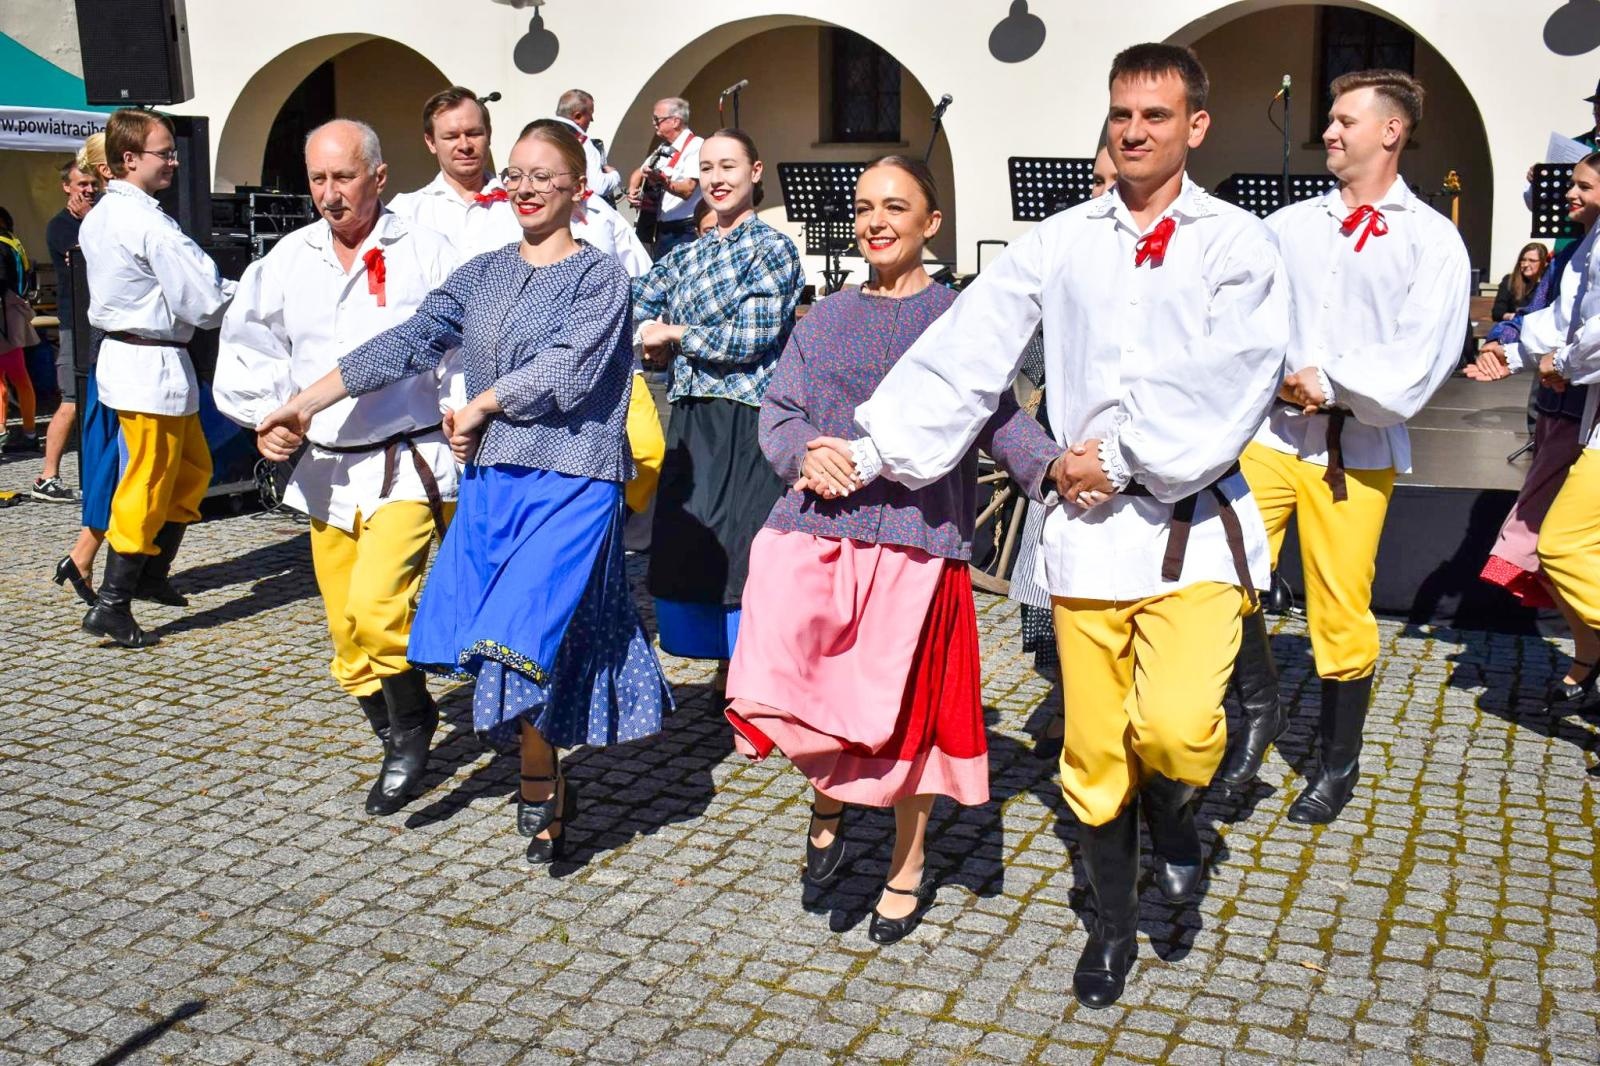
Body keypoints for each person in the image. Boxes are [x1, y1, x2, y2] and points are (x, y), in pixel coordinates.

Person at [852, 44, 1287, 1006]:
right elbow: (967, 349)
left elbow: (1234, 380)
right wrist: (876, 444)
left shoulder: (1237, 244)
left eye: (1156, 116)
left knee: (1179, 731)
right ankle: (1113, 928)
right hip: (1088, 541)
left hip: (1190, 533)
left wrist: (1118, 456)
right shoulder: (1058, 240)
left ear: (1196, 126)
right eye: (1122, 114)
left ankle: (1175, 814)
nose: (1134, 132)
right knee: (1092, 754)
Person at [257, 121, 672, 864]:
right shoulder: (482, 273)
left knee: (521, 630)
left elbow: (568, 369)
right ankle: (543, 765)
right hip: (496, 482)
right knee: (511, 642)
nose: (527, 188)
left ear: (578, 187)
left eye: (544, 175)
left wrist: (482, 403)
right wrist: (304, 403)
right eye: (516, 175)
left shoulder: (601, 276)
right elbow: (407, 341)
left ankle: (538, 773)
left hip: (575, 479)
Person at [727, 156, 1061, 943]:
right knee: (805, 691)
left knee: (912, 721)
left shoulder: (959, 319)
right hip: (818, 533)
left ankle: (906, 867)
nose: (876, 222)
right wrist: (804, 451)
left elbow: (998, 420)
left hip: (917, 542)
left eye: (895, 207)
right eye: (864, 207)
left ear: (930, 223)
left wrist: (1053, 469)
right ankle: (827, 805)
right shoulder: (824, 318)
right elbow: (779, 411)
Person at [1221, 70, 1470, 826]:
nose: (1328, 131)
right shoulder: (1289, 226)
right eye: (1330, 119)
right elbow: (1242, 313)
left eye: (1344, 121)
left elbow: (1420, 357)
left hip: (1352, 452)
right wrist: (1270, 374)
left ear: (1391, 131)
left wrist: (1327, 382)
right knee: (1223, 577)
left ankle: (1337, 762)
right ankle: (1254, 717)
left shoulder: (1432, 241)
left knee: (1338, 607)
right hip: (1268, 437)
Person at [214, 120, 461, 816]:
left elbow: (463, 345)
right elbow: (249, 346)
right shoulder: (288, 259)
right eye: (318, 179)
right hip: (325, 471)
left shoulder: (426, 252)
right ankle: (392, 729)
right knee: (348, 634)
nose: (330, 194)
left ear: (378, 177)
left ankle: (413, 729)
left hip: (406, 460)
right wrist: (269, 416)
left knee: (380, 610)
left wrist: (461, 409)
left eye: (344, 177)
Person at [631, 128, 804, 684]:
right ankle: (727, 666)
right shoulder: (687, 254)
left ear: (755, 172)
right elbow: (635, 305)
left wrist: (673, 334)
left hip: (748, 415)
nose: (716, 178)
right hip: (692, 414)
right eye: (707, 168)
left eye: (728, 166)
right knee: (694, 540)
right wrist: (645, 333)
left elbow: (750, 339)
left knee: (744, 543)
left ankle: (755, 671)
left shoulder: (773, 249)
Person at [77, 108, 235, 648]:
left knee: (191, 469)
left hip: (151, 361)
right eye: (164, 153)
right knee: (146, 480)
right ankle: (112, 602)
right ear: (129, 158)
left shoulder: (105, 213)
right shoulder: (146, 223)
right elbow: (204, 301)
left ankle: (148, 574)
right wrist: (255, 290)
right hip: (148, 364)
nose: (173, 161)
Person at [1471, 153, 1600, 705]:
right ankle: (1588, 659)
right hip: (1576, 414)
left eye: (1582, 185)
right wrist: (1510, 348)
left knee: (1561, 544)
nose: (1569, 193)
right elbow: (1559, 319)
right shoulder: (1581, 249)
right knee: (1559, 546)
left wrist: (1561, 362)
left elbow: (1586, 333)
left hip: (1582, 412)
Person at [1009, 144, 1118, 758]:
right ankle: (1072, 700)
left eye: (1113, 181)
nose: (1102, 192)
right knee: (1050, 594)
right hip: (1063, 455)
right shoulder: (1070, 257)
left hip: (1137, 464)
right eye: (1096, 181)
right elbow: (1028, 359)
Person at [50, 134, 118, 608]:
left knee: (117, 460)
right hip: (106, 350)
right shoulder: (91, 224)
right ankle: (90, 559)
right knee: (112, 458)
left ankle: (90, 558)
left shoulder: (104, 217)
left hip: (110, 351)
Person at [31, 160, 103, 501]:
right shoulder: (60, 226)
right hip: (76, 323)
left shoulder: (99, 217)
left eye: (92, 184)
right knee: (73, 400)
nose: (89, 190)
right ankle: (47, 476)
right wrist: (89, 221)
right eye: (81, 184)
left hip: (99, 322)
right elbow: (87, 257)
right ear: (66, 187)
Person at [387, 87, 521, 260]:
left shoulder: (522, 203)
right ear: (431, 143)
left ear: (489, 135)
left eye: (473, 133)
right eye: (451, 137)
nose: (465, 146)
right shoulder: (405, 213)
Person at [626, 98, 703, 257]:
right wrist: (633, 190)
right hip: (662, 229)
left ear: (675, 121)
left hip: (685, 229)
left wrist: (663, 182)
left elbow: (687, 190)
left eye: (657, 119)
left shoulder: (696, 146)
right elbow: (639, 172)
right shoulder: (664, 148)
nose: (653, 123)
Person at [0, 213, 39, 454]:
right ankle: (28, 431)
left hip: (3, 320)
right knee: (18, 377)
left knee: (11, 378)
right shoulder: (12, 241)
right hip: (13, 316)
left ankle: (8, 431)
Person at [553, 89, 621, 203]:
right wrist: (614, 175)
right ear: (577, 116)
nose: (592, 120)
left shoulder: (535, 132)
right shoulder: (582, 142)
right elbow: (599, 187)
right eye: (590, 114)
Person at [1491, 243, 1550, 323]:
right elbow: (1497, 313)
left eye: (1532, 260)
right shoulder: (1509, 281)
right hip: (1515, 324)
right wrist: (1511, 316)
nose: (1525, 264)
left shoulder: (1548, 285)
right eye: (1523, 260)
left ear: (1544, 263)